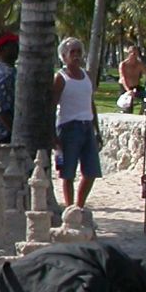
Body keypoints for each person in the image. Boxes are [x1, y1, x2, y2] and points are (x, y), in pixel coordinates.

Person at [53, 37, 101, 208]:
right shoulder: (61, 78)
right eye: (72, 52)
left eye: (79, 52)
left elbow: (90, 103)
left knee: (91, 171)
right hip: (68, 127)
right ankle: (69, 207)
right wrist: (53, 135)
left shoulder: (86, 76)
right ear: (64, 56)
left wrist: (97, 129)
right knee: (68, 173)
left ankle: (79, 206)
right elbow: (52, 105)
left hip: (87, 126)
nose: (76, 56)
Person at [118, 44, 146, 112]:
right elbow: (123, 78)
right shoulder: (123, 64)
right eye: (132, 53)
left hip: (136, 86)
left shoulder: (139, 64)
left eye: (136, 54)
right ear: (129, 53)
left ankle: (142, 112)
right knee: (128, 106)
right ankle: (126, 111)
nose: (134, 55)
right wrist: (128, 90)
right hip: (125, 86)